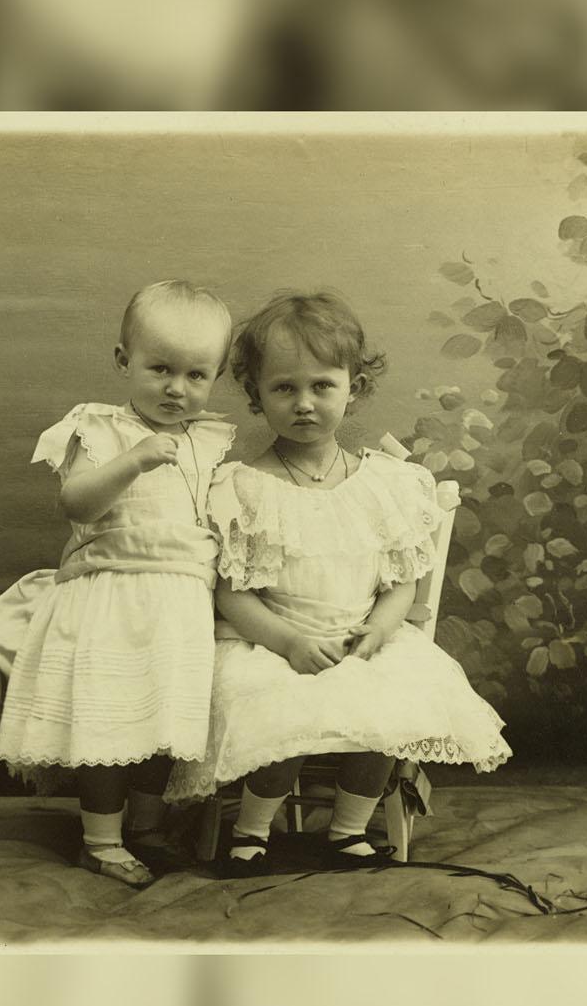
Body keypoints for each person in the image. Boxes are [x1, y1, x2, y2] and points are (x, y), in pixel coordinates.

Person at [165, 291, 510, 875]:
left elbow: (402, 577)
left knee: (382, 715)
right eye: (284, 388)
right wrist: (289, 643)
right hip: (275, 643)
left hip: (361, 640)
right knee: (280, 718)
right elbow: (232, 593)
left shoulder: (385, 485)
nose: (304, 404)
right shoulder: (244, 487)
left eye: (322, 386)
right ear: (257, 397)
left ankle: (347, 831)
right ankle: (252, 831)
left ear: (355, 388)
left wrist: (379, 628)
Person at [0, 280, 236, 887]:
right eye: (161, 369)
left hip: (181, 603)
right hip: (112, 593)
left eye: (198, 375)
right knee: (111, 722)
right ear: (124, 361)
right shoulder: (98, 428)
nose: (178, 388)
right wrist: (135, 460)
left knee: (164, 729)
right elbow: (78, 504)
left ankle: (144, 830)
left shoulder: (213, 440)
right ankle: (101, 839)